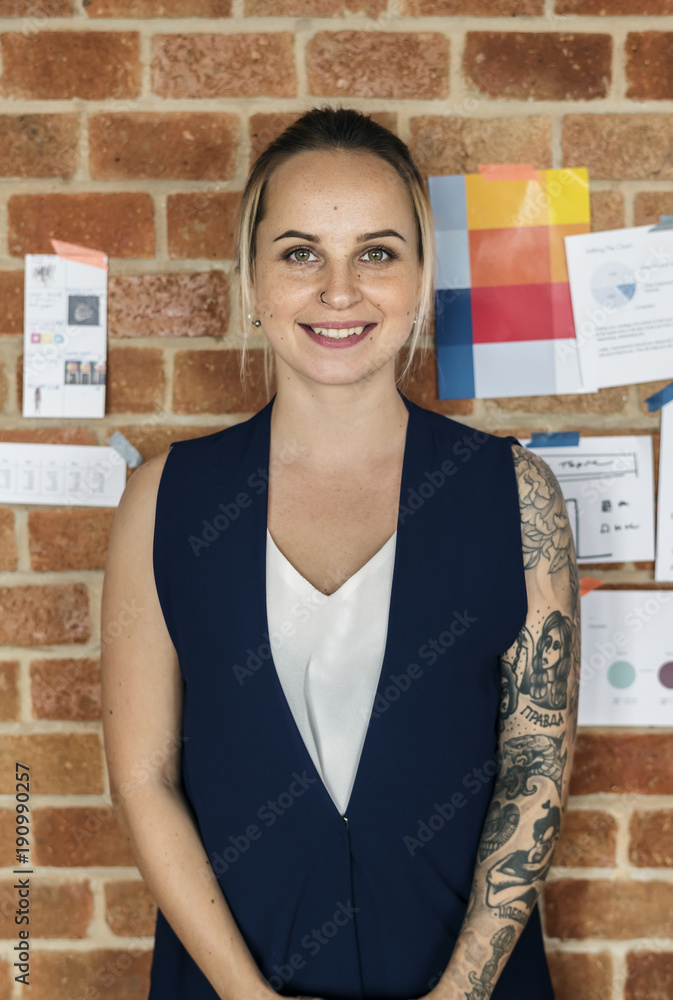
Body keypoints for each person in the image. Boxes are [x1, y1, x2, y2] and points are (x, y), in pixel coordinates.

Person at [101, 107, 581, 1000]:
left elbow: (534, 766)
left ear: (420, 276)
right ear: (251, 279)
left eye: (376, 252)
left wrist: (460, 992)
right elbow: (143, 776)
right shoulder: (165, 501)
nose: (338, 290)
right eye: (299, 252)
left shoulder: (513, 494)